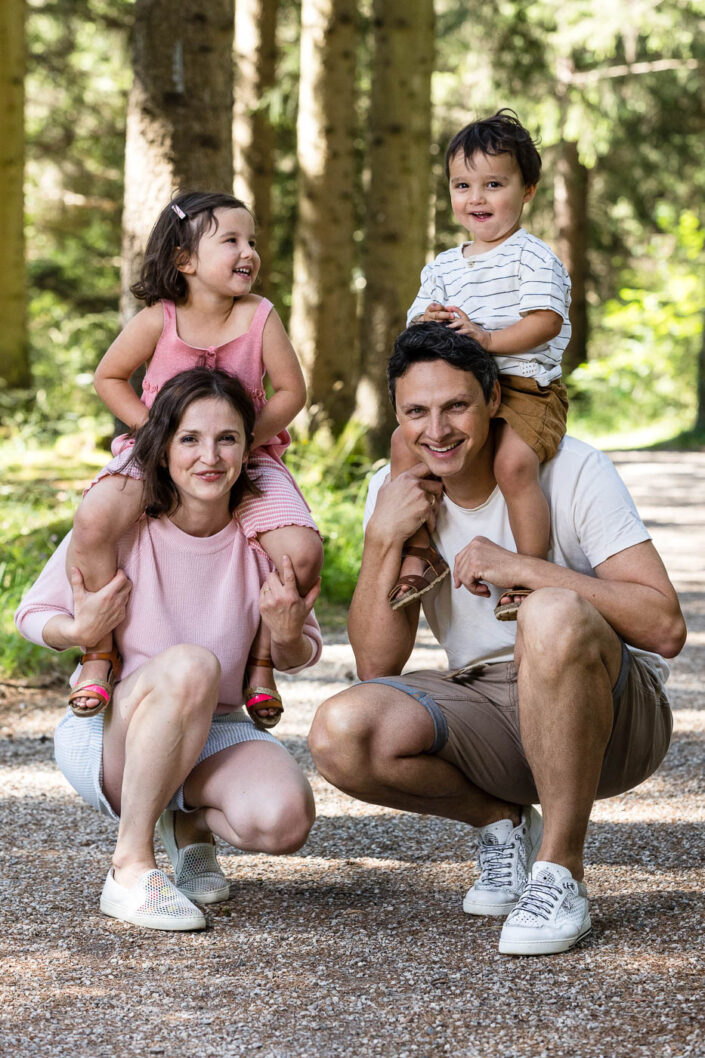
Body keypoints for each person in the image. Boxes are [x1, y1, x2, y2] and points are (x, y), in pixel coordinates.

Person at [309, 324, 686, 956]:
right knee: (342, 733)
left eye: (455, 405)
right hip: (489, 706)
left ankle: (560, 871)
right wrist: (382, 539)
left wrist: (527, 570)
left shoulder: (572, 469)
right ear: (397, 416)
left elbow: (665, 627)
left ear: (491, 399)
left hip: (615, 714)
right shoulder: (396, 488)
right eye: (416, 412)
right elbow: (378, 663)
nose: (438, 430)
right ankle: (501, 823)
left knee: (551, 613)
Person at [16, 369, 321, 931]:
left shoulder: (262, 538)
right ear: (161, 452)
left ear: (247, 449)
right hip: (113, 733)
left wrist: (284, 633)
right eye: (189, 439)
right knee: (191, 665)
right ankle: (130, 868)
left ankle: (184, 821)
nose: (210, 456)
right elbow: (30, 617)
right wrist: (78, 630)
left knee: (284, 822)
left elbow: (301, 653)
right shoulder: (123, 528)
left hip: (216, 729)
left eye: (227, 439)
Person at [65, 190, 323, 728]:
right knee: (94, 519)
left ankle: (260, 663)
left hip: (247, 458)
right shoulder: (159, 320)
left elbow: (290, 393)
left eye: (251, 240)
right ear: (185, 260)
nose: (247, 251)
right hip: (155, 454)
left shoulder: (259, 316)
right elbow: (108, 377)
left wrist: (245, 442)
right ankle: (99, 652)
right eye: (230, 240)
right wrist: (154, 434)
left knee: (299, 552)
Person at [389, 110, 570, 621]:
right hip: (461, 388)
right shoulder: (443, 265)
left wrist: (489, 338)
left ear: (527, 189)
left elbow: (545, 321)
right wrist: (427, 319)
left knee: (513, 464)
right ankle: (420, 551)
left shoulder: (533, 258)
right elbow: (414, 325)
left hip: (525, 387)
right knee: (406, 446)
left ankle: (528, 572)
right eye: (462, 185)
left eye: (494, 184)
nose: (477, 198)